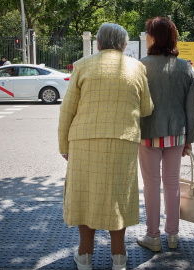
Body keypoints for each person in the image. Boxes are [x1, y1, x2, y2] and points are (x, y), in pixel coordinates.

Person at [58, 23, 153, 270]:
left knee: (84, 196)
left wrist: (63, 145)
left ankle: (85, 256)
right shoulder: (137, 68)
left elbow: (67, 110)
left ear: (97, 43)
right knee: (117, 198)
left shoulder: (83, 65)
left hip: (83, 141)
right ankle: (119, 257)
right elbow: (146, 109)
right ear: (124, 45)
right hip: (123, 141)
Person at [137, 16, 194, 253]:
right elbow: (190, 108)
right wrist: (189, 139)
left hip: (148, 133)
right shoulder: (185, 68)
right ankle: (173, 235)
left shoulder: (140, 66)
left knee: (151, 185)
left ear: (154, 38)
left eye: (148, 34)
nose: (147, 38)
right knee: (172, 184)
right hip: (177, 134)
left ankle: (153, 236)